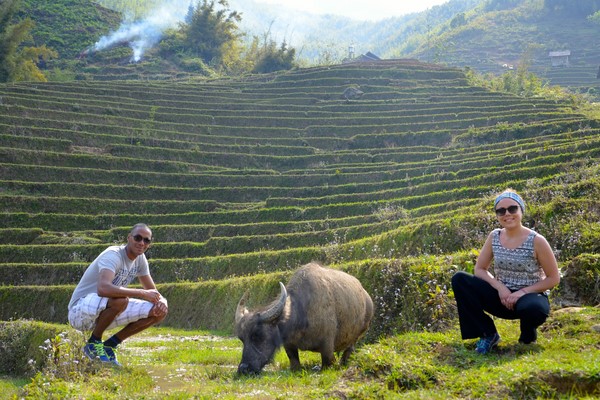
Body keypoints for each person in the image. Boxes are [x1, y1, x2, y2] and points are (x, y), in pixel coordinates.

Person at [451, 189, 560, 354]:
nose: (507, 214)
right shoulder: (494, 236)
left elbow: (553, 278)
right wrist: (500, 287)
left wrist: (522, 292)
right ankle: (488, 334)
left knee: (534, 308)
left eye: (512, 208)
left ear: (521, 210)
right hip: (501, 297)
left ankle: (527, 336)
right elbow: (480, 269)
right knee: (460, 279)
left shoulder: (537, 240)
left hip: (528, 297)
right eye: (501, 211)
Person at [68, 223, 168, 366]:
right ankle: (94, 342)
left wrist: (162, 302)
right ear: (129, 238)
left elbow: (153, 291)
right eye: (138, 238)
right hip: (79, 311)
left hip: (104, 311)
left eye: (146, 240)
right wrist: (141, 293)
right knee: (120, 300)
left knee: (158, 312)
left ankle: (109, 346)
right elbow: (103, 288)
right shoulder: (113, 255)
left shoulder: (140, 259)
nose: (141, 243)